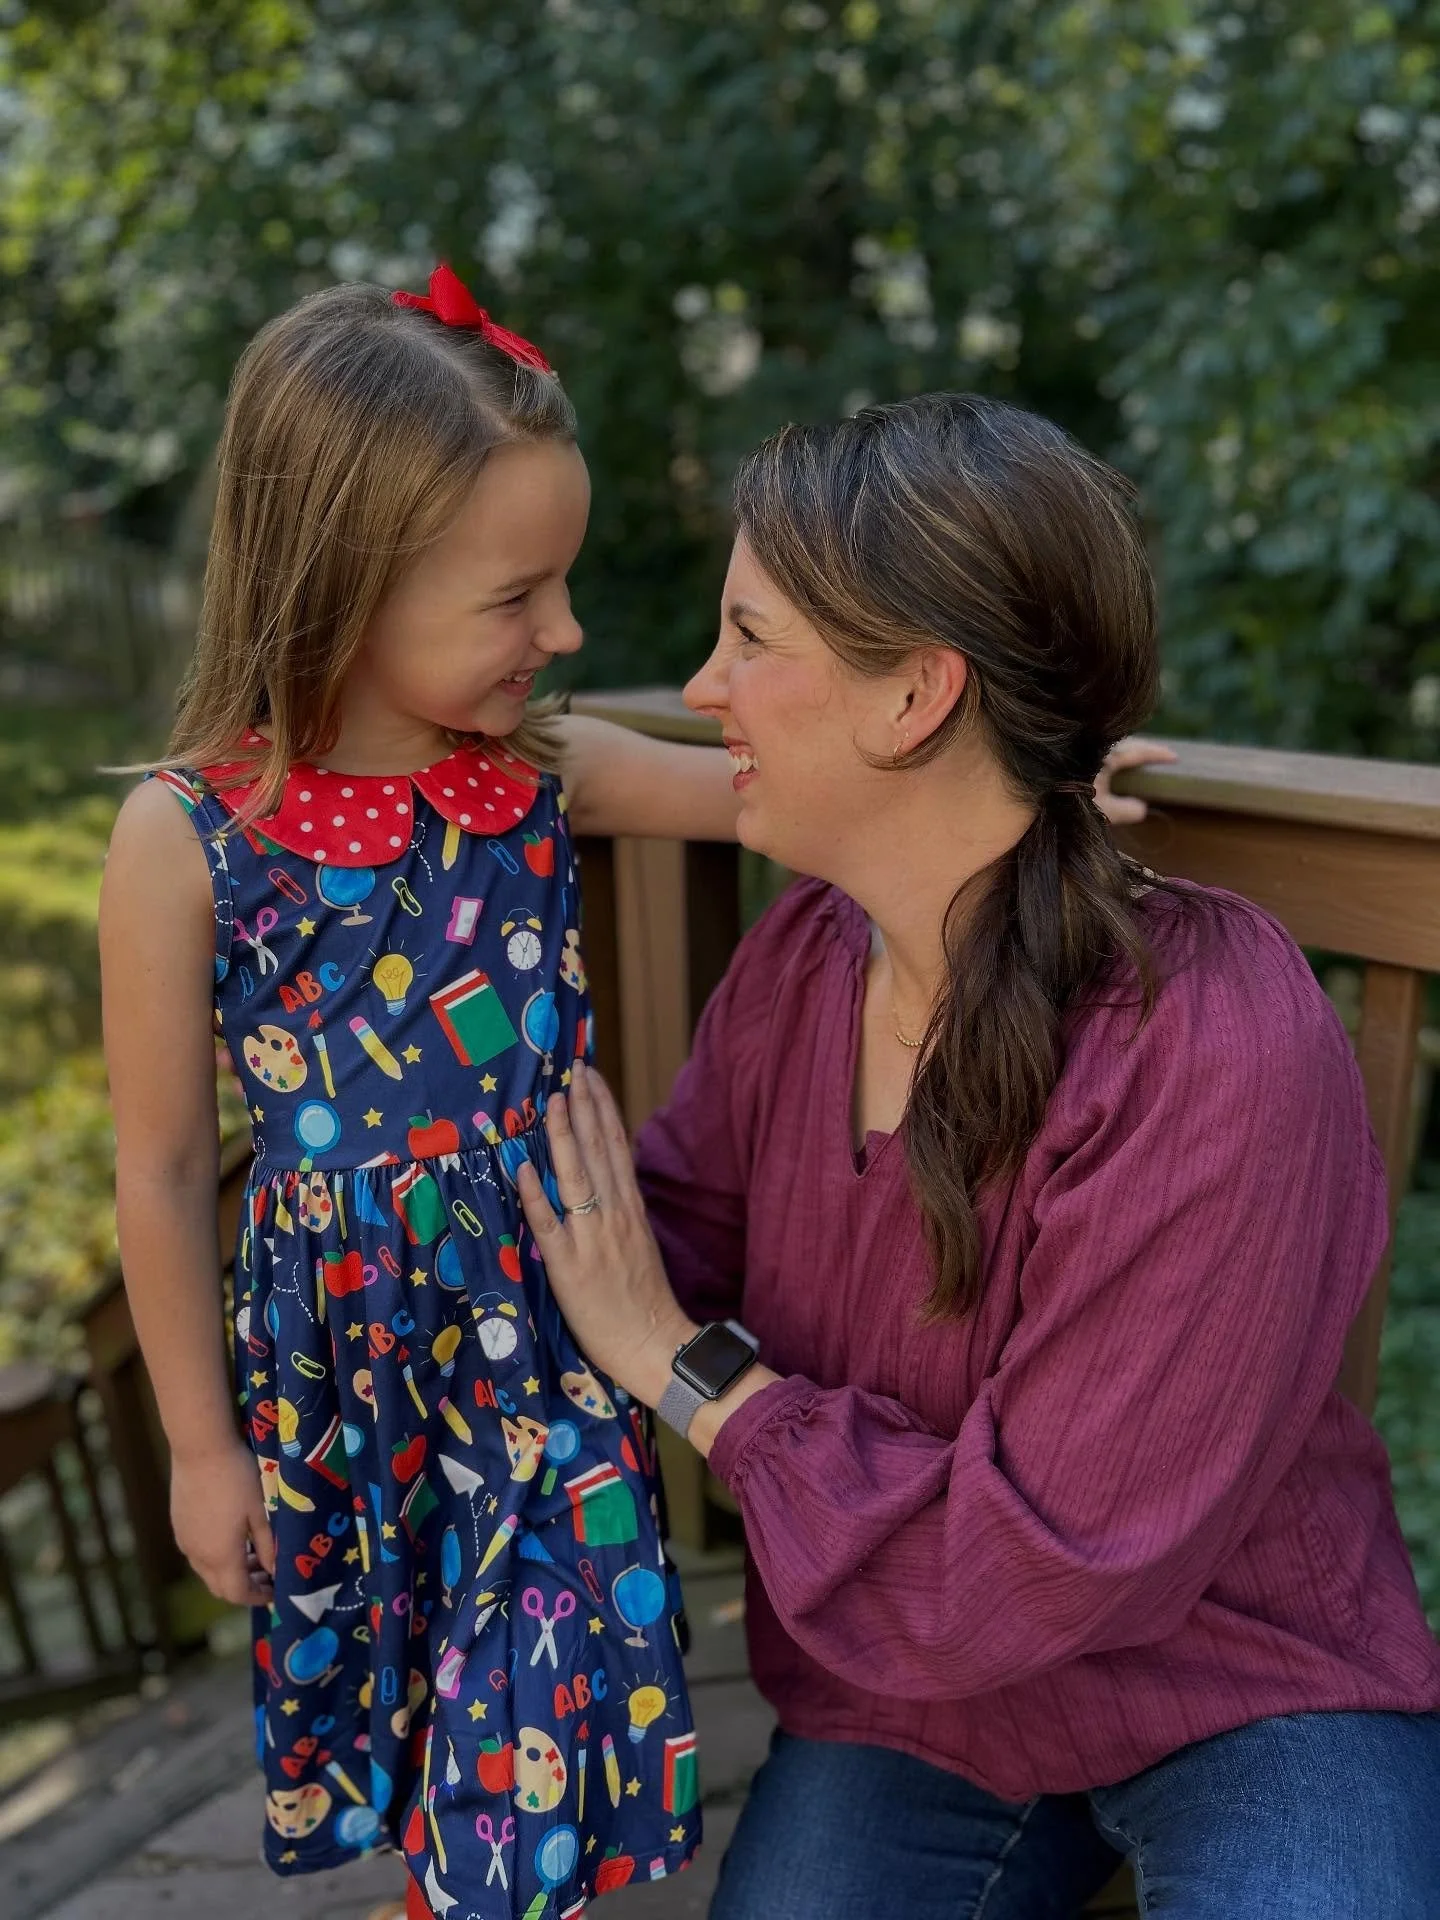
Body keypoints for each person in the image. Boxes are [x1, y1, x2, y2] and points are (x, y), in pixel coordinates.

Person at [516, 394, 1440, 1919]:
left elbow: (1047, 1559)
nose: (702, 687)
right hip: (917, 1703)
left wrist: (687, 1370)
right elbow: (652, 1231)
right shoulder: (809, 960)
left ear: (914, 698)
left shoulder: (1214, 1039)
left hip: (1243, 1677)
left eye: (751, 640)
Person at [99, 264, 764, 1920]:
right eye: (516, 596)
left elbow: (787, 800)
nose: (567, 635)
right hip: (342, 1372)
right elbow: (168, 1170)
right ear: (344, 586)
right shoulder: (188, 840)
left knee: (535, 1714)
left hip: (546, 1338)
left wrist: (1035, 777)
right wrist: (200, 1451)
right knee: (416, 1733)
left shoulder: (547, 772)